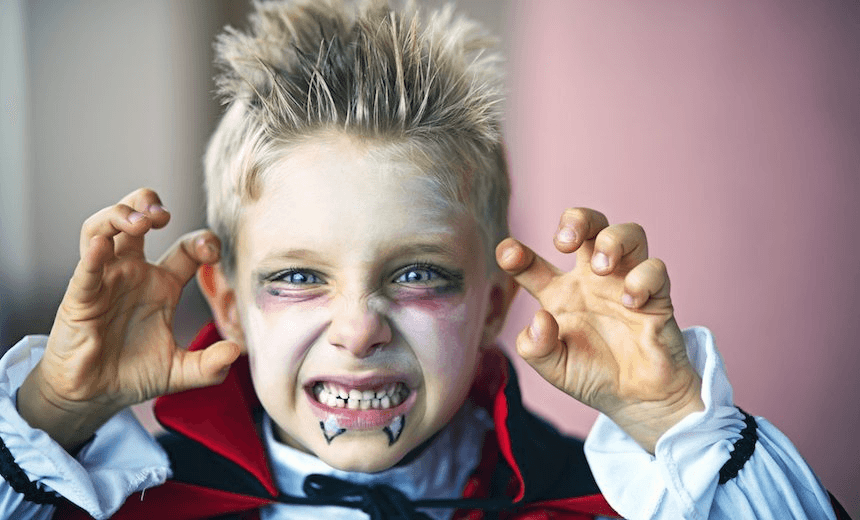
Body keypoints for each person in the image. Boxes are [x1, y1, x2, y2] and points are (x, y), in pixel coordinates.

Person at [0, 1, 850, 519]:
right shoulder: (121, 503)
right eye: (298, 276)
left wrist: (672, 421)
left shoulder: (597, 506)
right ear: (226, 302)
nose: (360, 329)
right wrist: (55, 413)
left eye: (418, 275)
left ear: (491, 306)